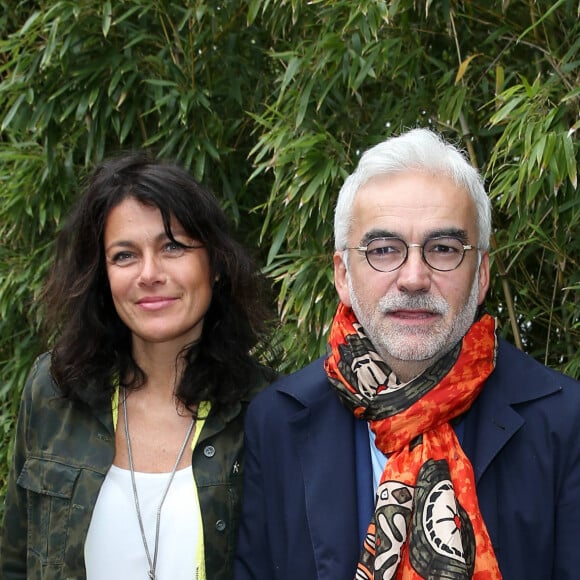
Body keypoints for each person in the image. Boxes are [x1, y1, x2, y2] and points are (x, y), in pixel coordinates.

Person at [234, 128, 580, 579]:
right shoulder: (277, 422)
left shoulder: (564, 421)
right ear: (343, 275)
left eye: (443, 249)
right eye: (383, 250)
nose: (413, 277)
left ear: (481, 275)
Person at [0, 153, 275, 579]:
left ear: (216, 264)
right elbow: (15, 562)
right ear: (102, 276)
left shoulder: (266, 411)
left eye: (173, 247)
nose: (149, 273)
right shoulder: (55, 391)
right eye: (125, 255)